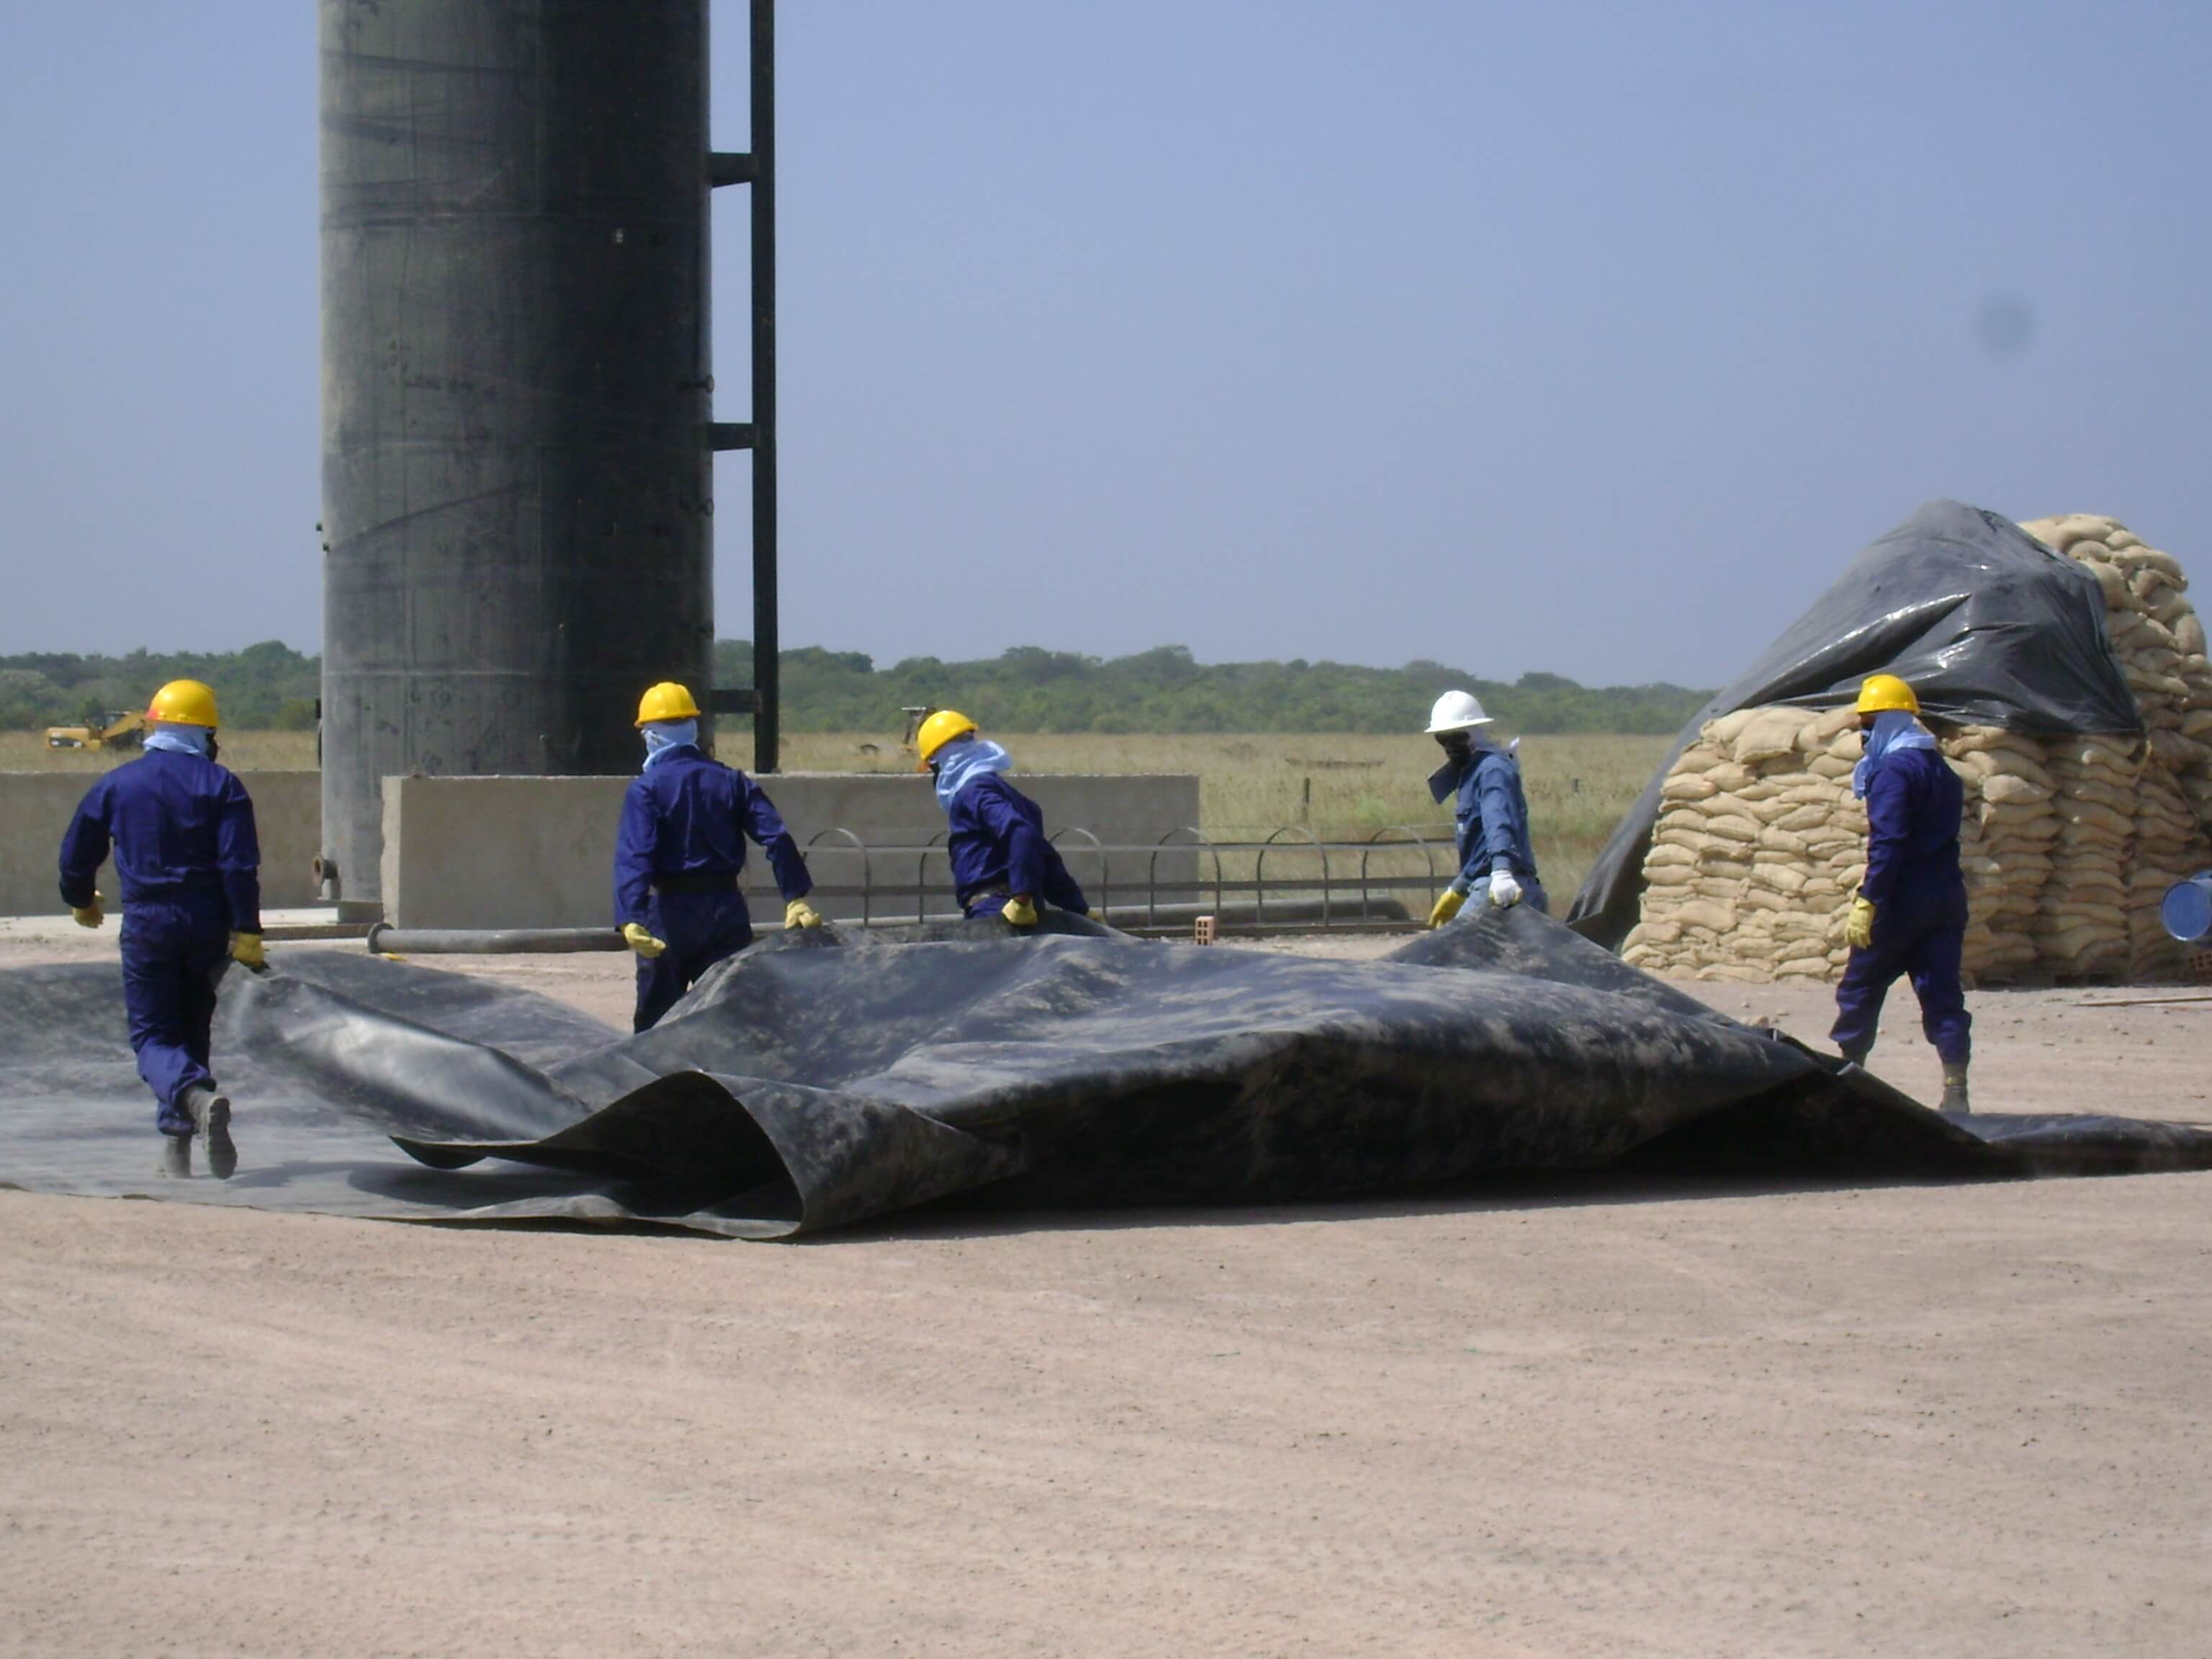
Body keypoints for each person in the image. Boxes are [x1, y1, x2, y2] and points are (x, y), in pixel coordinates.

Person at [58, 679, 262, 1179]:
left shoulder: (119, 784)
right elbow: (238, 866)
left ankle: (193, 1099)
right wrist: (247, 931)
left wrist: (81, 900)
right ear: (206, 734)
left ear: (153, 727)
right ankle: (177, 1154)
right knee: (192, 1030)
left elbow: (76, 854)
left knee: (152, 1038)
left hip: (149, 922)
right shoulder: (223, 785)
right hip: (208, 924)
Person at [615, 683, 823, 1032]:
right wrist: (795, 895)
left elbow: (636, 855)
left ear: (651, 734)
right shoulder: (731, 781)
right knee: (734, 1018)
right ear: (693, 729)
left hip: (670, 914)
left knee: (657, 1025)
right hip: (725, 912)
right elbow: (776, 836)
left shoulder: (647, 789)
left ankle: (656, 1084)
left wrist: (630, 916)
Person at [1830, 673, 1972, 1113]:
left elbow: (1889, 842)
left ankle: (1848, 1082)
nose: (1863, 733)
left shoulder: (1892, 771)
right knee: (1943, 995)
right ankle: (1956, 1090)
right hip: (1946, 898)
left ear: (1889, 721)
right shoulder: (1942, 770)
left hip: (1900, 900)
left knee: (1861, 987)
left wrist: (1870, 900)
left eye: (1869, 723)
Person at [914, 710, 1095, 927]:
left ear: (941, 759)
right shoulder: (1003, 792)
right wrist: (1079, 909)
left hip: (996, 912)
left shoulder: (974, 791)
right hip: (1016, 911)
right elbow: (1042, 857)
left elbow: (1021, 832)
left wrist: (1021, 899)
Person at [1423, 690, 1545, 927]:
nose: (1450, 747)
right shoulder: (1469, 776)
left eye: (1457, 738)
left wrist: (1501, 872)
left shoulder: (1492, 771)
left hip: (1503, 886)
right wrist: (1460, 887)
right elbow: (1480, 847)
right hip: (1484, 884)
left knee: (1458, 957)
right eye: (1442, 739)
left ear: (1475, 733)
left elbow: (1498, 821)